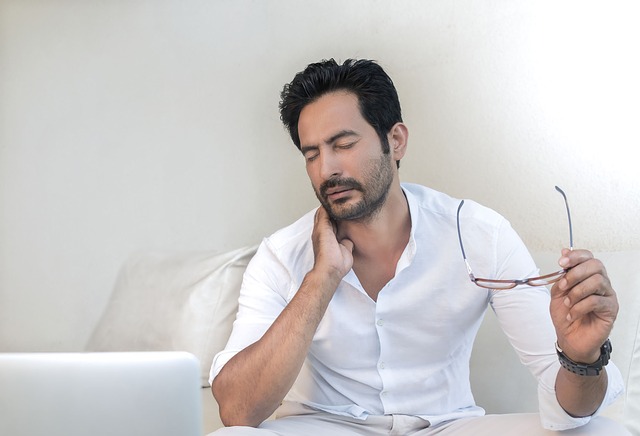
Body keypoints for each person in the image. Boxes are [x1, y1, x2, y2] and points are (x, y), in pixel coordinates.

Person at [208, 59, 627, 435]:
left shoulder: (477, 234)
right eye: (311, 154)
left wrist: (580, 357)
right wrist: (321, 279)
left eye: (344, 144)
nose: (326, 169)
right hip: (325, 427)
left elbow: (572, 409)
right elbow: (238, 410)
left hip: (447, 426)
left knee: (602, 433)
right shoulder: (282, 255)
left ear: (396, 140)